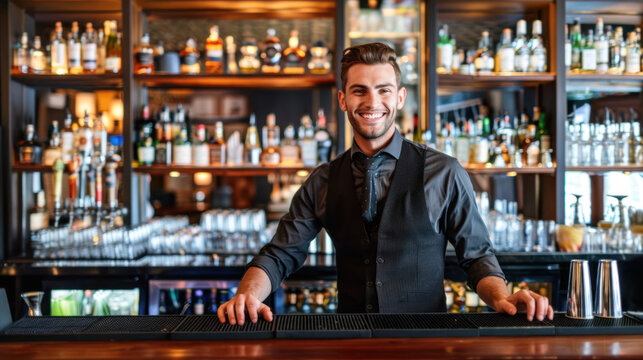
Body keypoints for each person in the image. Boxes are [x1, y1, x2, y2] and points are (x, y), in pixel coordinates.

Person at [217, 42, 554, 325]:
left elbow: (478, 256)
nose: (372, 102)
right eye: (359, 90)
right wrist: (247, 294)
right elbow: (279, 255)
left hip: (427, 340)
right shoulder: (323, 179)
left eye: (383, 90)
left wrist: (503, 298)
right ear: (342, 100)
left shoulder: (443, 171)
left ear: (400, 98)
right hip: (350, 338)